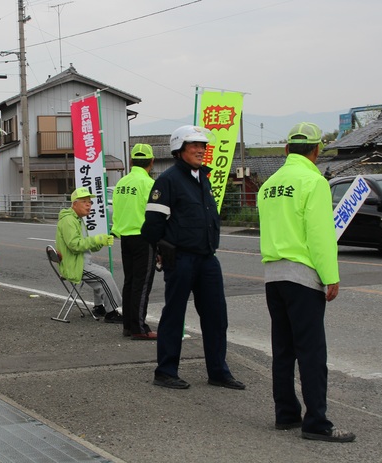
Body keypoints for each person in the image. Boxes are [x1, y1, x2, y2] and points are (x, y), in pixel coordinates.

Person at [257, 122, 355, 443]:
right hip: (302, 276)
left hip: (273, 276)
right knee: (311, 351)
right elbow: (320, 236)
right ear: (316, 151)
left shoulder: (268, 185)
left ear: (286, 150)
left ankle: (286, 414)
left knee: (283, 348)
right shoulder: (314, 182)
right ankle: (317, 422)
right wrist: (331, 276)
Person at [141, 125, 245, 390]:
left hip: (207, 258)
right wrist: (164, 252)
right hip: (181, 258)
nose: (201, 150)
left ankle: (218, 372)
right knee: (174, 314)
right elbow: (152, 225)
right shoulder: (168, 180)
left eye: (203, 146)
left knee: (216, 316)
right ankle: (165, 371)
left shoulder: (203, 178)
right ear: (179, 150)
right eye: (194, 146)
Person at [55, 187, 124, 323]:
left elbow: (85, 244)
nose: (89, 205)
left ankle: (99, 307)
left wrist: (101, 242)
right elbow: (75, 245)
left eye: (90, 202)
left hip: (79, 262)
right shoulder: (69, 220)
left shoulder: (77, 219)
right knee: (105, 276)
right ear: (74, 204)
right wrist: (97, 240)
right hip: (75, 265)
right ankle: (111, 313)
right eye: (84, 202)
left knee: (102, 272)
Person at [111, 143, 157, 340]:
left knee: (130, 281)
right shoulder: (148, 184)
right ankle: (139, 327)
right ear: (152, 162)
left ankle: (129, 325)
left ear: (131, 161)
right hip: (143, 237)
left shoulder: (121, 183)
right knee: (142, 283)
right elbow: (155, 214)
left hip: (125, 237)